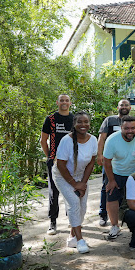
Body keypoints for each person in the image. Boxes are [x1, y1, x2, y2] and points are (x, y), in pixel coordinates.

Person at [53, 112, 97, 253]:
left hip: (80, 176)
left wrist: (82, 184)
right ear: (74, 124)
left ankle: (72, 236)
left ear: (89, 124)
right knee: (73, 203)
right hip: (62, 175)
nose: (83, 125)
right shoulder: (67, 140)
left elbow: (91, 164)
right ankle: (80, 240)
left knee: (82, 206)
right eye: (79, 122)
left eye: (86, 122)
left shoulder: (93, 140)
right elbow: (60, 164)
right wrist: (74, 184)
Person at [103, 115, 135, 240]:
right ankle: (115, 226)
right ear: (121, 128)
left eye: (132, 128)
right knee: (111, 196)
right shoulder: (112, 140)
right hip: (116, 172)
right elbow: (106, 161)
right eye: (126, 128)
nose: (130, 131)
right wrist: (111, 180)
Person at [96, 99, 135, 227]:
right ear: (118, 107)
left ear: (130, 107)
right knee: (108, 186)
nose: (124, 106)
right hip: (110, 159)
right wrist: (99, 154)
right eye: (122, 104)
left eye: (126, 105)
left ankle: (124, 214)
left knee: (128, 188)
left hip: (128, 159)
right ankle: (103, 214)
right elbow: (102, 137)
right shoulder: (109, 120)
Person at [41, 94, 74, 236]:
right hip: (54, 161)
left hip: (72, 161)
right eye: (62, 100)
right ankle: (52, 222)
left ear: (70, 103)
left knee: (71, 190)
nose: (64, 102)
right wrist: (50, 156)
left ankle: (72, 219)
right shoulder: (50, 119)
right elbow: (43, 140)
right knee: (54, 191)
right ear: (57, 102)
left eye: (66, 100)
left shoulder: (75, 119)